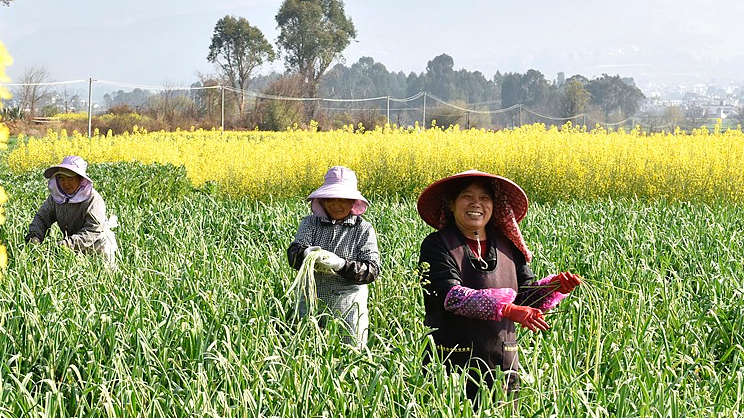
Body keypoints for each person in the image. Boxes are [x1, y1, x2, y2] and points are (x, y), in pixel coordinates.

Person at [417, 169, 580, 402]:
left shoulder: (508, 246)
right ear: (451, 204)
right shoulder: (437, 245)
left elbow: (525, 298)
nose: (476, 204)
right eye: (467, 196)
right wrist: (508, 309)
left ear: (494, 206)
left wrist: (554, 287)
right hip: (452, 366)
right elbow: (450, 296)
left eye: (484, 198)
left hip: (502, 364)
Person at [287, 166, 381, 347]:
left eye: (343, 199)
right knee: (307, 356)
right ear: (322, 201)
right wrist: (306, 253)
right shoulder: (310, 223)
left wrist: (340, 264)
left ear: (352, 201)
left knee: (348, 358)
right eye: (330, 198)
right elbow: (294, 253)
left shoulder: (363, 229)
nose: (336, 204)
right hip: (310, 305)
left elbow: (372, 270)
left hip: (349, 310)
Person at [25, 155, 119, 268]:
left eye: (70, 179)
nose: (66, 183)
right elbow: (42, 218)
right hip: (74, 248)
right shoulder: (56, 197)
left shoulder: (92, 199)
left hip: (99, 247)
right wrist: (35, 236)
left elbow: (93, 229)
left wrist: (69, 243)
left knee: (104, 279)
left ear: (81, 179)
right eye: (62, 179)